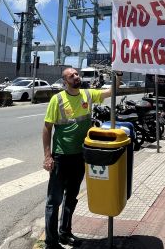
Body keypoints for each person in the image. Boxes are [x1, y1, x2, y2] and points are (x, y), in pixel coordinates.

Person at [42, 67, 120, 249]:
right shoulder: (58, 99)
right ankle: (51, 243)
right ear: (65, 81)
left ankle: (65, 233)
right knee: (54, 202)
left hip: (79, 156)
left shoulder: (87, 94)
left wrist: (119, 77)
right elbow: (47, 128)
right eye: (72, 76)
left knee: (71, 198)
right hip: (61, 157)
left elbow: (112, 91)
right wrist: (48, 156)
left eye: (77, 74)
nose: (76, 77)